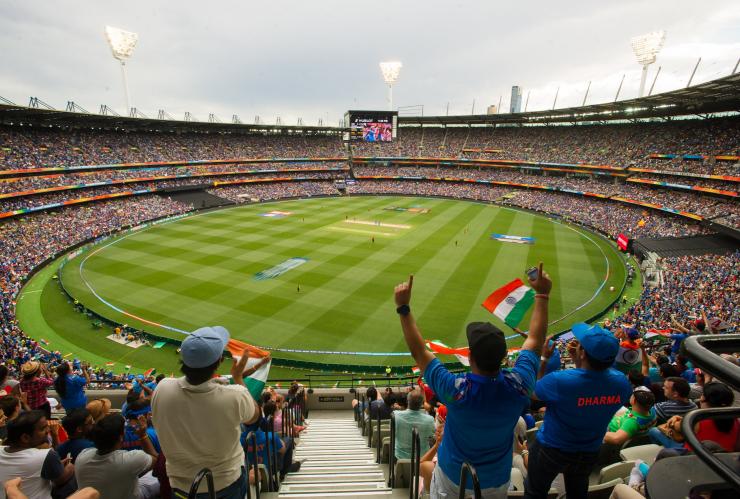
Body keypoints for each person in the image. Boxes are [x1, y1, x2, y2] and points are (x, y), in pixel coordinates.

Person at [394, 262, 551, 498]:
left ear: (470, 356)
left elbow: (420, 352)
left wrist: (403, 308)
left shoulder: (455, 390)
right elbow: (535, 342)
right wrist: (542, 295)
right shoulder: (520, 384)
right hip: (495, 483)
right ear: (502, 358)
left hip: (451, 481)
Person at [524, 323, 632, 499]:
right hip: (589, 450)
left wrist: (543, 359)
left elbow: (535, 393)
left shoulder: (561, 381)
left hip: (551, 447)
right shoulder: (621, 383)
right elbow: (591, 388)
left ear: (582, 352)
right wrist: (578, 363)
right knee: (577, 492)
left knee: (535, 492)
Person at [151, 326, 260, 498]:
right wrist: (238, 378)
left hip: (181, 488)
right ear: (219, 362)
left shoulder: (162, 388)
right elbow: (254, 417)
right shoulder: (235, 395)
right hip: (226, 485)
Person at [74, 414, 159, 499]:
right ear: (121, 437)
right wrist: (143, 435)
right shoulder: (131, 459)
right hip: (135, 494)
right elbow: (156, 459)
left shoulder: (82, 456)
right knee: (158, 477)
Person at [0, 410, 76, 499]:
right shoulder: (45, 455)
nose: (48, 430)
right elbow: (60, 479)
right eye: (43, 428)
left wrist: (56, 465)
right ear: (25, 438)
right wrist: (71, 467)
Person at [394, 388, 435, 460]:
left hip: (402, 457)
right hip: (421, 458)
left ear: (407, 401)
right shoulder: (430, 420)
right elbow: (432, 438)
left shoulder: (395, 415)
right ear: (422, 403)